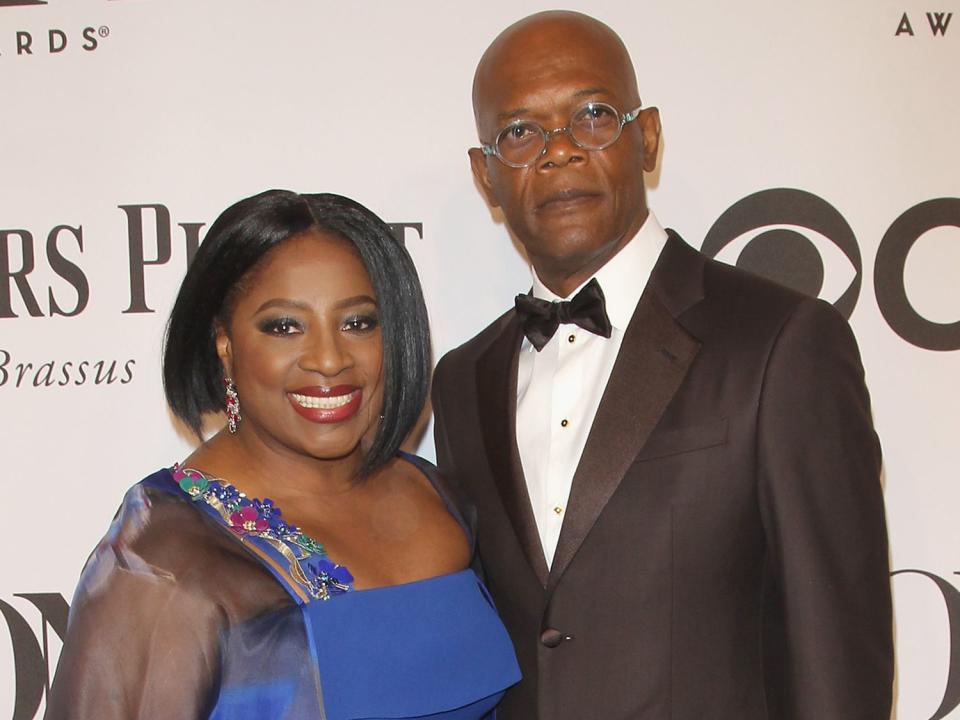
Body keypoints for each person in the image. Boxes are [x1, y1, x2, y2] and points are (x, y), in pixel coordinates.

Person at [432, 11, 893, 720]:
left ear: (645, 137)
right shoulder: (462, 382)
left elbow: (838, 660)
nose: (558, 152)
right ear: (485, 175)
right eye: (520, 132)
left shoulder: (781, 344)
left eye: (591, 115)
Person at [46, 190, 520, 719]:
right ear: (224, 342)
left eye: (358, 322)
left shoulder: (437, 495)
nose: (329, 359)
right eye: (284, 326)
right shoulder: (161, 556)